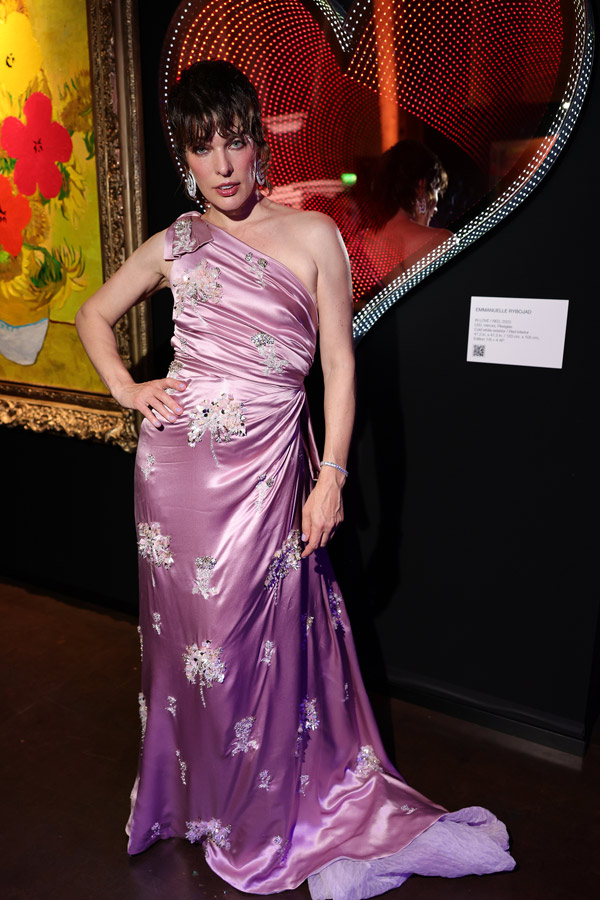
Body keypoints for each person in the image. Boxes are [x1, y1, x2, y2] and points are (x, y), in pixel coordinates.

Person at [76, 61, 514, 899]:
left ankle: (272, 808)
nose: (225, 165)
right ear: (188, 159)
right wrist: (128, 391)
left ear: (256, 143)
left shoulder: (313, 237)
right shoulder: (177, 242)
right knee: (193, 655)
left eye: (236, 143)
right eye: (205, 150)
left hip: (274, 470)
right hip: (177, 481)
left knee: (261, 650)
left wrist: (334, 475)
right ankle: (201, 801)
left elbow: (341, 370)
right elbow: (96, 315)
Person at [349, 140, 455, 303]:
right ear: (422, 187)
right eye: (435, 194)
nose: (435, 209)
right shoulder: (442, 241)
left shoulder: (358, 245)